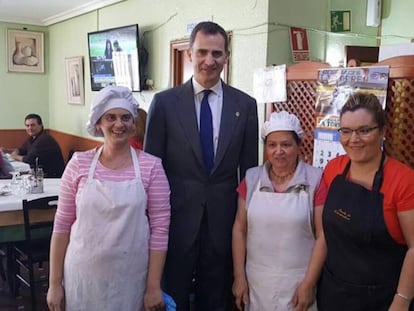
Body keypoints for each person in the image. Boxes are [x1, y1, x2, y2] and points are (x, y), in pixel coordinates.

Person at [145, 21, 258, 310]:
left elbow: (248, 174)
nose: (210, 61)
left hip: (223, 224)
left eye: (217, 54)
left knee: (216, 299)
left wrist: (244, 226)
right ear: (190, 54)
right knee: (174, 297)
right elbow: (151, 171)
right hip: (176, 222)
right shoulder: (164, 103)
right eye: (203, 52)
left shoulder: (245, 106)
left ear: (227, 57)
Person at [46, 86, 171, 311]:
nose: (118, 124)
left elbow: (160, 230)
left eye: (125, 117)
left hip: (131, 277)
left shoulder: (152, 166)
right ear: (98, 123)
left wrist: (153, 287)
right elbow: (62, 226)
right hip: (82, 276)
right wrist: (55, 284)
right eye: (110, 117)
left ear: (134, 124)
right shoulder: (78, 164)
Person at [317, 93, 414, 311]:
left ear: (383, 132)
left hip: (382, 299)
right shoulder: (333, 169)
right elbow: (325, 234)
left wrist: (402, 299)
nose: (354, 139)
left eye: (364, 130)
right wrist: (309, 282)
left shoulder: (404, 180)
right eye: (346, 131)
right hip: (334, 293)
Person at [232, 111, 327, 311]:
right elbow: (239, 229)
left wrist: (309, 284)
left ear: (299, 145)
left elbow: (322, 236)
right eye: (272, 145)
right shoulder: (251, 179)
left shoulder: (315, 180)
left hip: (298, 283)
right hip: (256, 282)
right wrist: (239, 277)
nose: (278, 151)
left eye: (286, 144)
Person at [0, 114, 65, 178]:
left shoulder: (44, 139)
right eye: (27, 125)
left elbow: (29, 159)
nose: (30, 128)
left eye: (33, 125)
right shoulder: (33, 137)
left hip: (52, 176)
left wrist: (14, 156)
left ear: (41, 125)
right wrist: (7, 150)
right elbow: (22, 149)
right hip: (39, 173)